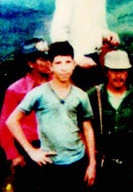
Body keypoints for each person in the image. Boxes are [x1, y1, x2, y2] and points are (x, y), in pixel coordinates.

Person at [5, 41, 96, 192]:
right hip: (46, 160)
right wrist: (28, 152)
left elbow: (86, 128)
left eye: (68, 62)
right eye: (58, 63)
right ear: (51, 66)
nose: (63, 67)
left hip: (76, 160)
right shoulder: (33, 93)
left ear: (73, 64)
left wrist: (91, 162)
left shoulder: (80, 95)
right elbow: (9, 121)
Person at [50, 0, 120, 90]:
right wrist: (76, 58)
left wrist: (109, 34)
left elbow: (100, 27)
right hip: (73, 64)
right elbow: (58, 33)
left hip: (94, 61)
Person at [86, 49, 133, 192]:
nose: (119, 76)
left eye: (122, 71)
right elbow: (83, 125)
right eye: (114, 71)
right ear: (106, 72)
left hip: (129, 162)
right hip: (102, 163)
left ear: (127, 72)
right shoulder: (94, 95)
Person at [0, 38, 51, 192]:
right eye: (43, 59)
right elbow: (4, 123)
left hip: (55, 147)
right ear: (30, 63)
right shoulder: (16, 90)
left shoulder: (57, 85)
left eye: (49, 58)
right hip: (27, 150)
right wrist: (13, 154)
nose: (48, 62)